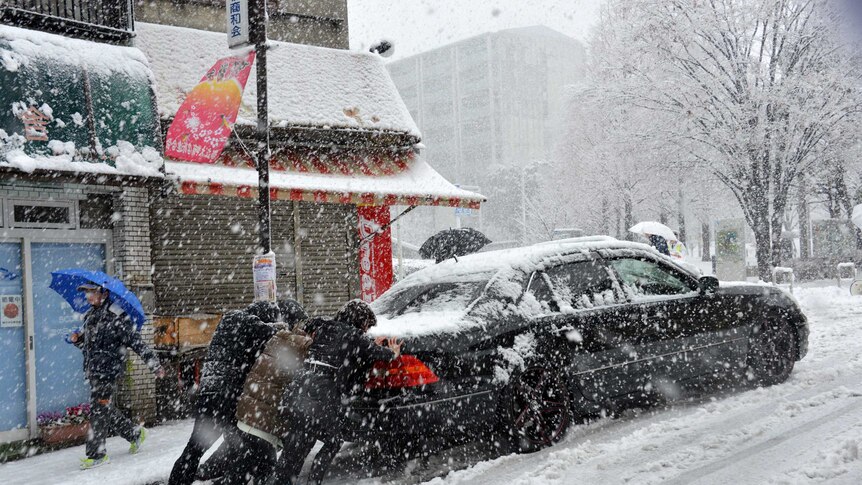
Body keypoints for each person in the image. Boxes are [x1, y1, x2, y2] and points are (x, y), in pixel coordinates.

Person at [266, 299, 402, 485]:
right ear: (361, 322)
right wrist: (392, 352)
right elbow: (379, 353)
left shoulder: (323, 325)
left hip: (298, 387)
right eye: (367, 327)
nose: (366, 331)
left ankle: (281, 482)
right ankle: (314, 482)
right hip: (321, 392)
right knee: (333, 440)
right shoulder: (354, 335)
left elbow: (321, 332)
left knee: (298, 444)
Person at [168, 301, 281, 485]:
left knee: (194, 450)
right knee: (250, 448)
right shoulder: (253, 325)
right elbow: (277, 339)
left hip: (207, 393)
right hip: (228, 396)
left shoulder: (229, 319)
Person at [67, 283, 165, 470]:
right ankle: (135, 434)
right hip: (94, 372)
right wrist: (78, 340)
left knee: (99, 411)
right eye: (86, 292)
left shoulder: (117, 317)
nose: (88, 296)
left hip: (108, 372)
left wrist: (155, 365)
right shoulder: (90, 316)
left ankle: (97, 454)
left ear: (104, 293)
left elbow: (137, 343)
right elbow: (90, 348)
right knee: (105, 410)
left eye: (92, 292)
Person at [221, 299, 312, 484]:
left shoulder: (276, 338)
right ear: (297, 322)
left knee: (241, 471)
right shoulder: (301, 344)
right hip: (263, 424)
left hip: (246, 416)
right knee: (263, 470)